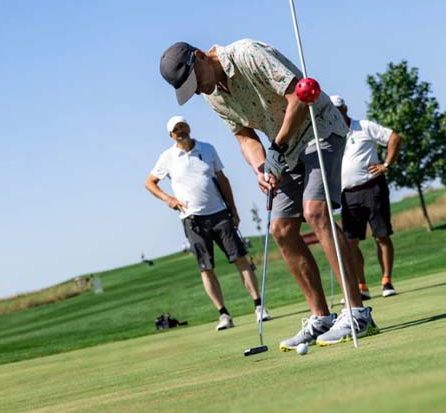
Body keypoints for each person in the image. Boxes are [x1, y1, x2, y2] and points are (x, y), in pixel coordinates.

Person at [159, 40, 378, 349]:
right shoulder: (214, 97)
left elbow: (298, 96)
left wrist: (276, 148)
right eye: (190, 89)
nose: (198, 91)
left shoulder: (248, 53)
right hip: (284, 152)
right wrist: (261, 167)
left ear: (200, 57)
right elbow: (244, 135)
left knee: (315, 212)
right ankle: (321, 317)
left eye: (196, 82)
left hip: (318, 130)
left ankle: (358, 313)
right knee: (281, 229)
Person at [145, 116, 270, 331]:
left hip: (220, 213)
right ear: (171, 135)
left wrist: (233, 210)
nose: (181, 131)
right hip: (192, 219)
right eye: (176, 129)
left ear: (189, 127)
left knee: (240, 259)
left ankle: (259, 306)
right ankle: (223, 314)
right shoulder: (167, 157)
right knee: (206, 268)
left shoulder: (207, 148)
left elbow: (222, 180)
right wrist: (169, 199)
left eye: (183, 126)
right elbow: (149, 183)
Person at [330, 95, 402, 298]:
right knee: (350, 242)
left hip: (373, 188)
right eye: (333, 110)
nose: (336, 113)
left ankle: (386, 280)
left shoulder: (364, 126)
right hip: (347, 195)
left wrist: (386, 164)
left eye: (339, 109)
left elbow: (394, 138)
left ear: (344, 108)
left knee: (381, 236)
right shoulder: (329, 135)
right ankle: (361, 285)